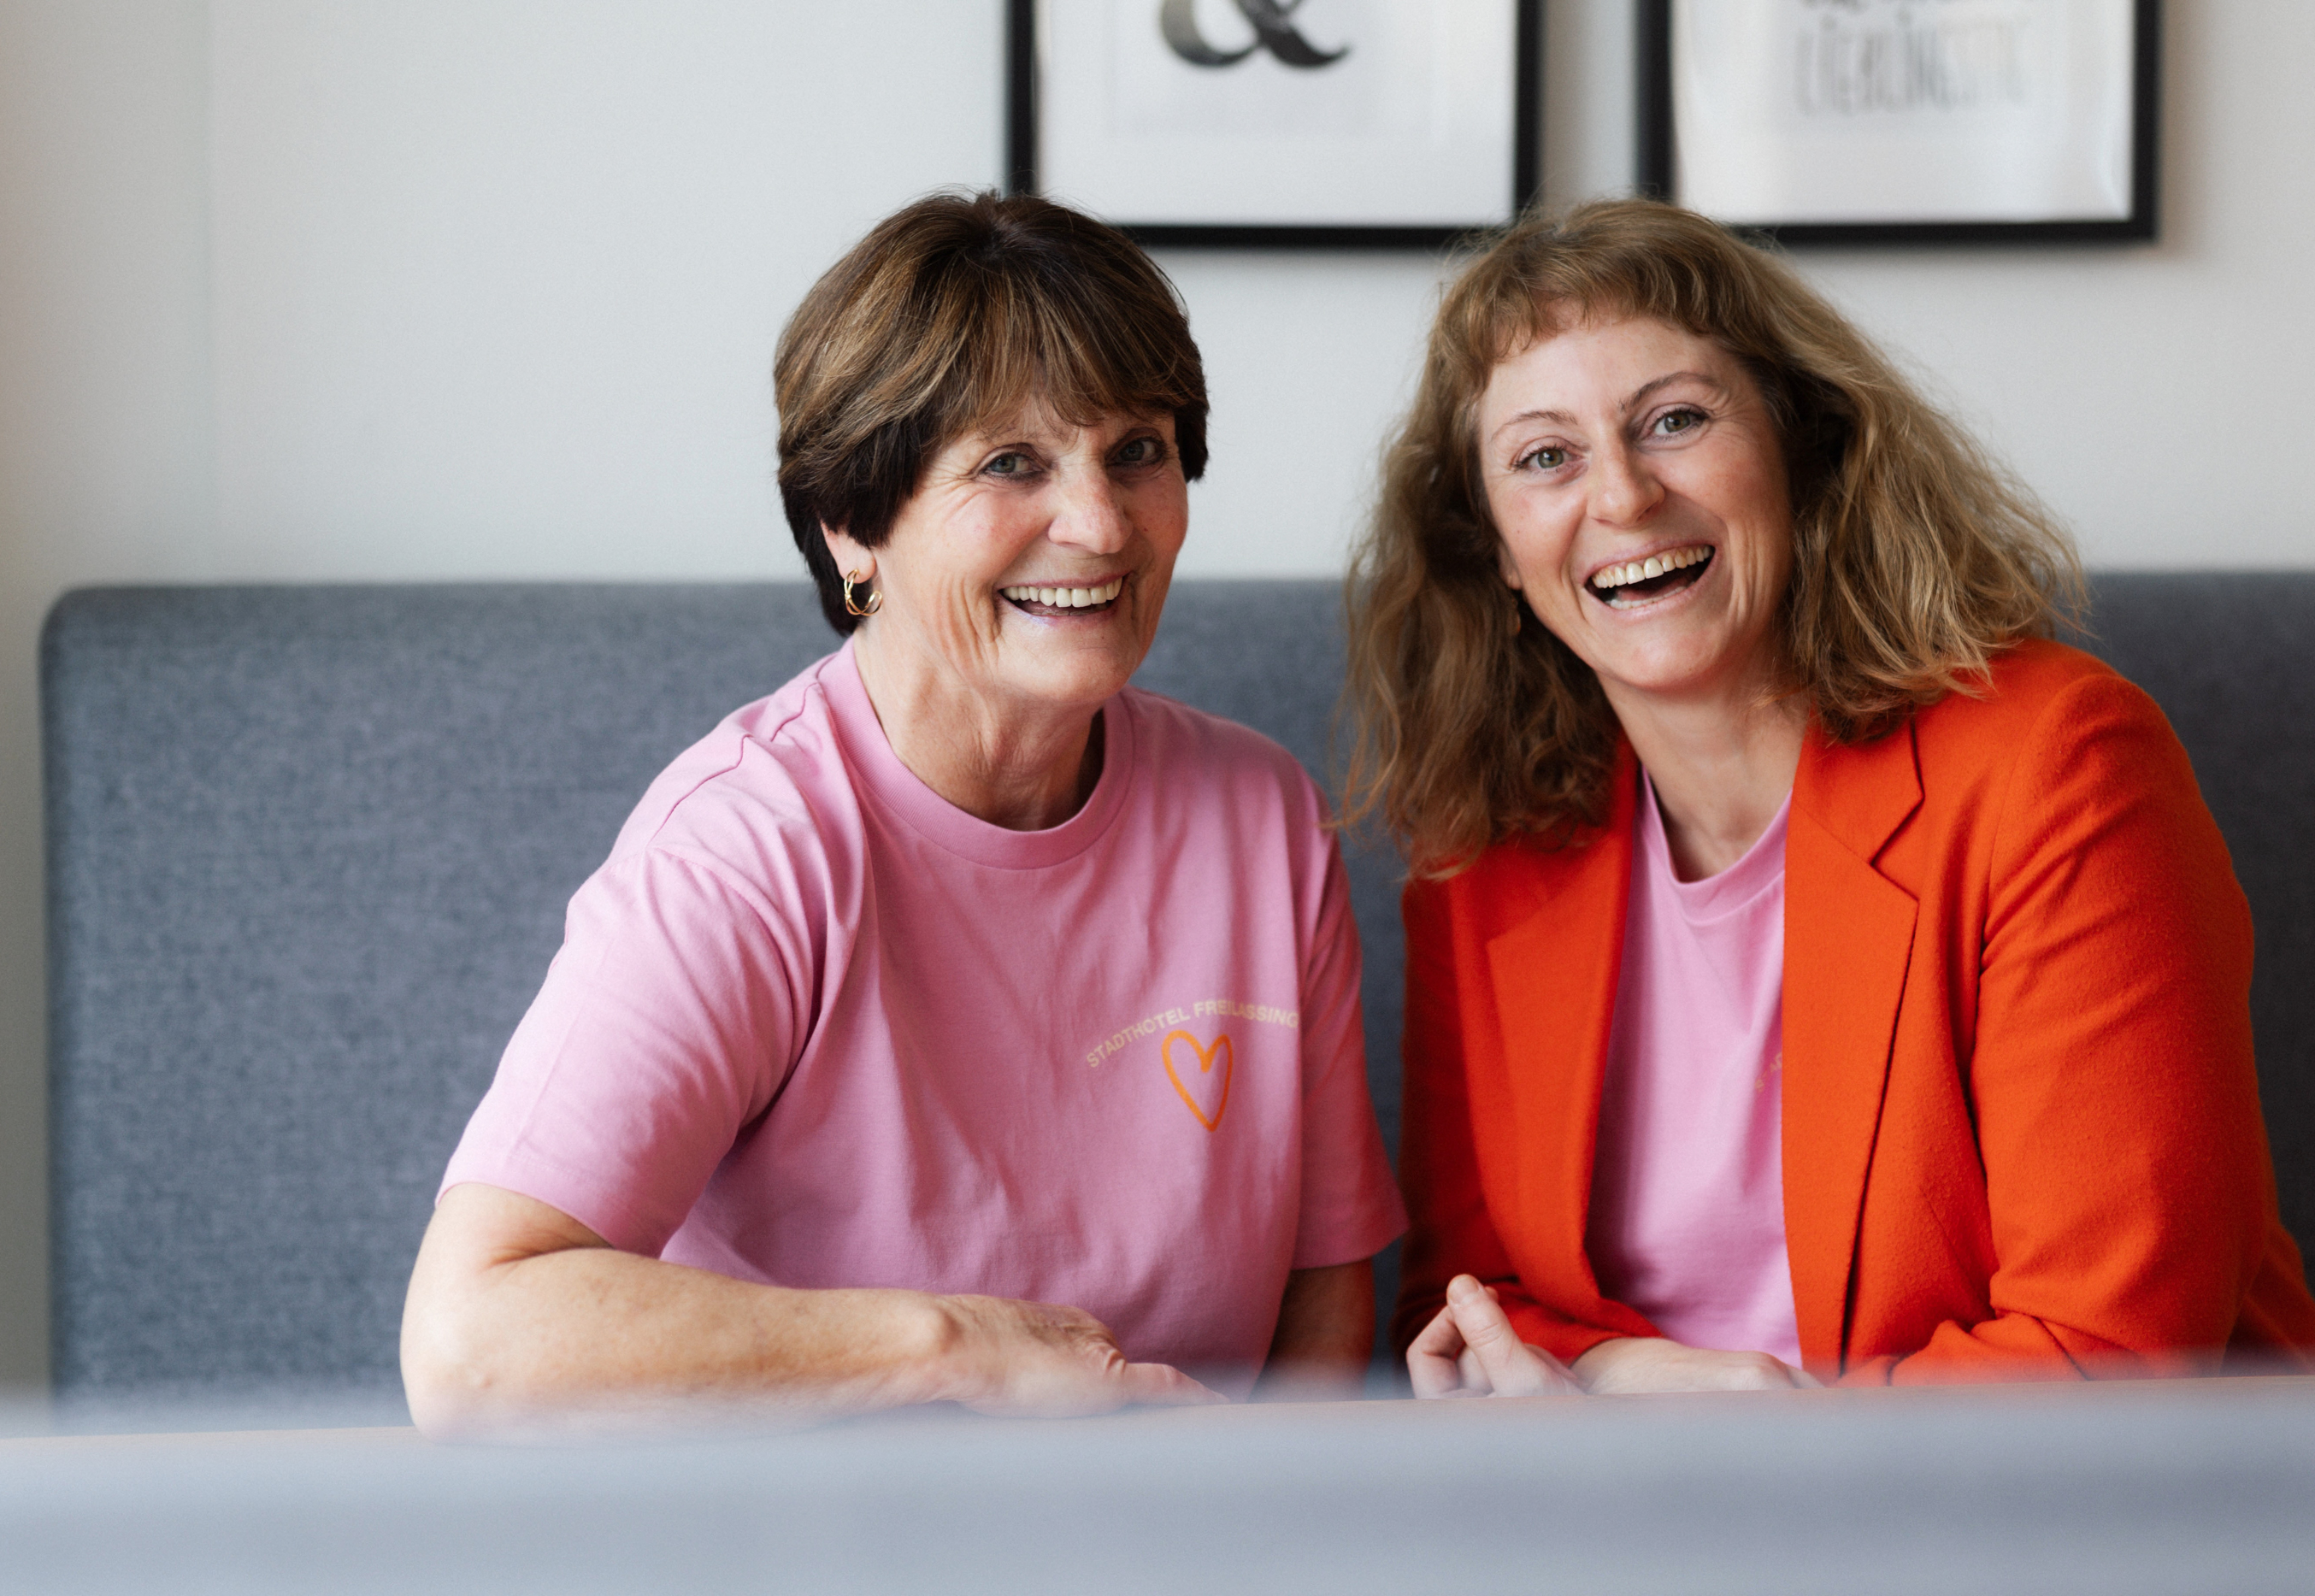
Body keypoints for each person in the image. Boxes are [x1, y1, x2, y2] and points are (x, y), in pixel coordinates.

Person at [401, 191, 1404, 1437]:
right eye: (1010, 462)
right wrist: (952, 1345)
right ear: (850, 527)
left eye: (1135, 449)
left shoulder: (1266, 821)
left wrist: (1251, 1531)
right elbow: (473, 1348)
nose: (1098, 524)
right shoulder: (749, 851)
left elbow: (1324, 1288)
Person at [1341, 198, 2315, 1396]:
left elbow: (2111, 1350)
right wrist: (1666, 1396)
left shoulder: (2060, 763)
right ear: (1493, 542)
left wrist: (1773, 1426)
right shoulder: (1482, 854)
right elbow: (1464, 1309)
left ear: (1801, 445)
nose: (1625, 497)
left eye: (1677, 421)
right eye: (1546, 456)